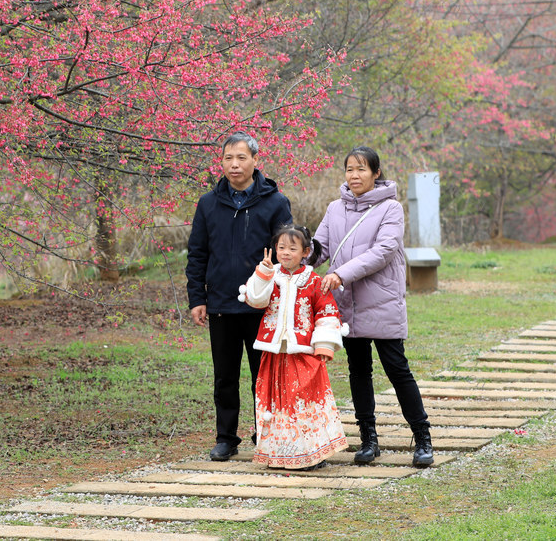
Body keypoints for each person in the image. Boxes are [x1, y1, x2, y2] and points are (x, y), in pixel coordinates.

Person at [311, 146, 434, 467]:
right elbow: (320, 247)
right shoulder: (334, 209)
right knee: (358, 370)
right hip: (347, 303)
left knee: (397, 369)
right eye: (350, 169)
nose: (354, 175)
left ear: (376, 173)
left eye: (362, 169)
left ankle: (422, 437)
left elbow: (383, 251)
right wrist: (293, 256)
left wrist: (340, 274)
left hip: (381, 302)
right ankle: (368, 440)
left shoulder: (391, 209)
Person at [186, 131, 293, 461]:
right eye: (228, 158)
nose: (234, 165)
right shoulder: (208, 204)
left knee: (263, 375)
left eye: (241, 158)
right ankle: (226, 437)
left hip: (263, 305)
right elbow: (197, 253)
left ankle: (266, 432)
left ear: (255, 160)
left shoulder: (275, 202)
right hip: (220, 303)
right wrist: (197, 298)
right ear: (222, 161)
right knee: (225, 376)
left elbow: (286, 253)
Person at [239, 225, 349, 469]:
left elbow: (326, 312)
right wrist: (263, 274)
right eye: (281, 247)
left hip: (303, 353)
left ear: (306, 252)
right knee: (276, 403)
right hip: (274, 352)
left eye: (292, 248)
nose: (285, 253)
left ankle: (310, 452)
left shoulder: (314, 281)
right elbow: (255, 300)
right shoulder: (270, 275)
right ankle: (279, 452)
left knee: (303, 402)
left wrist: (324, 345)